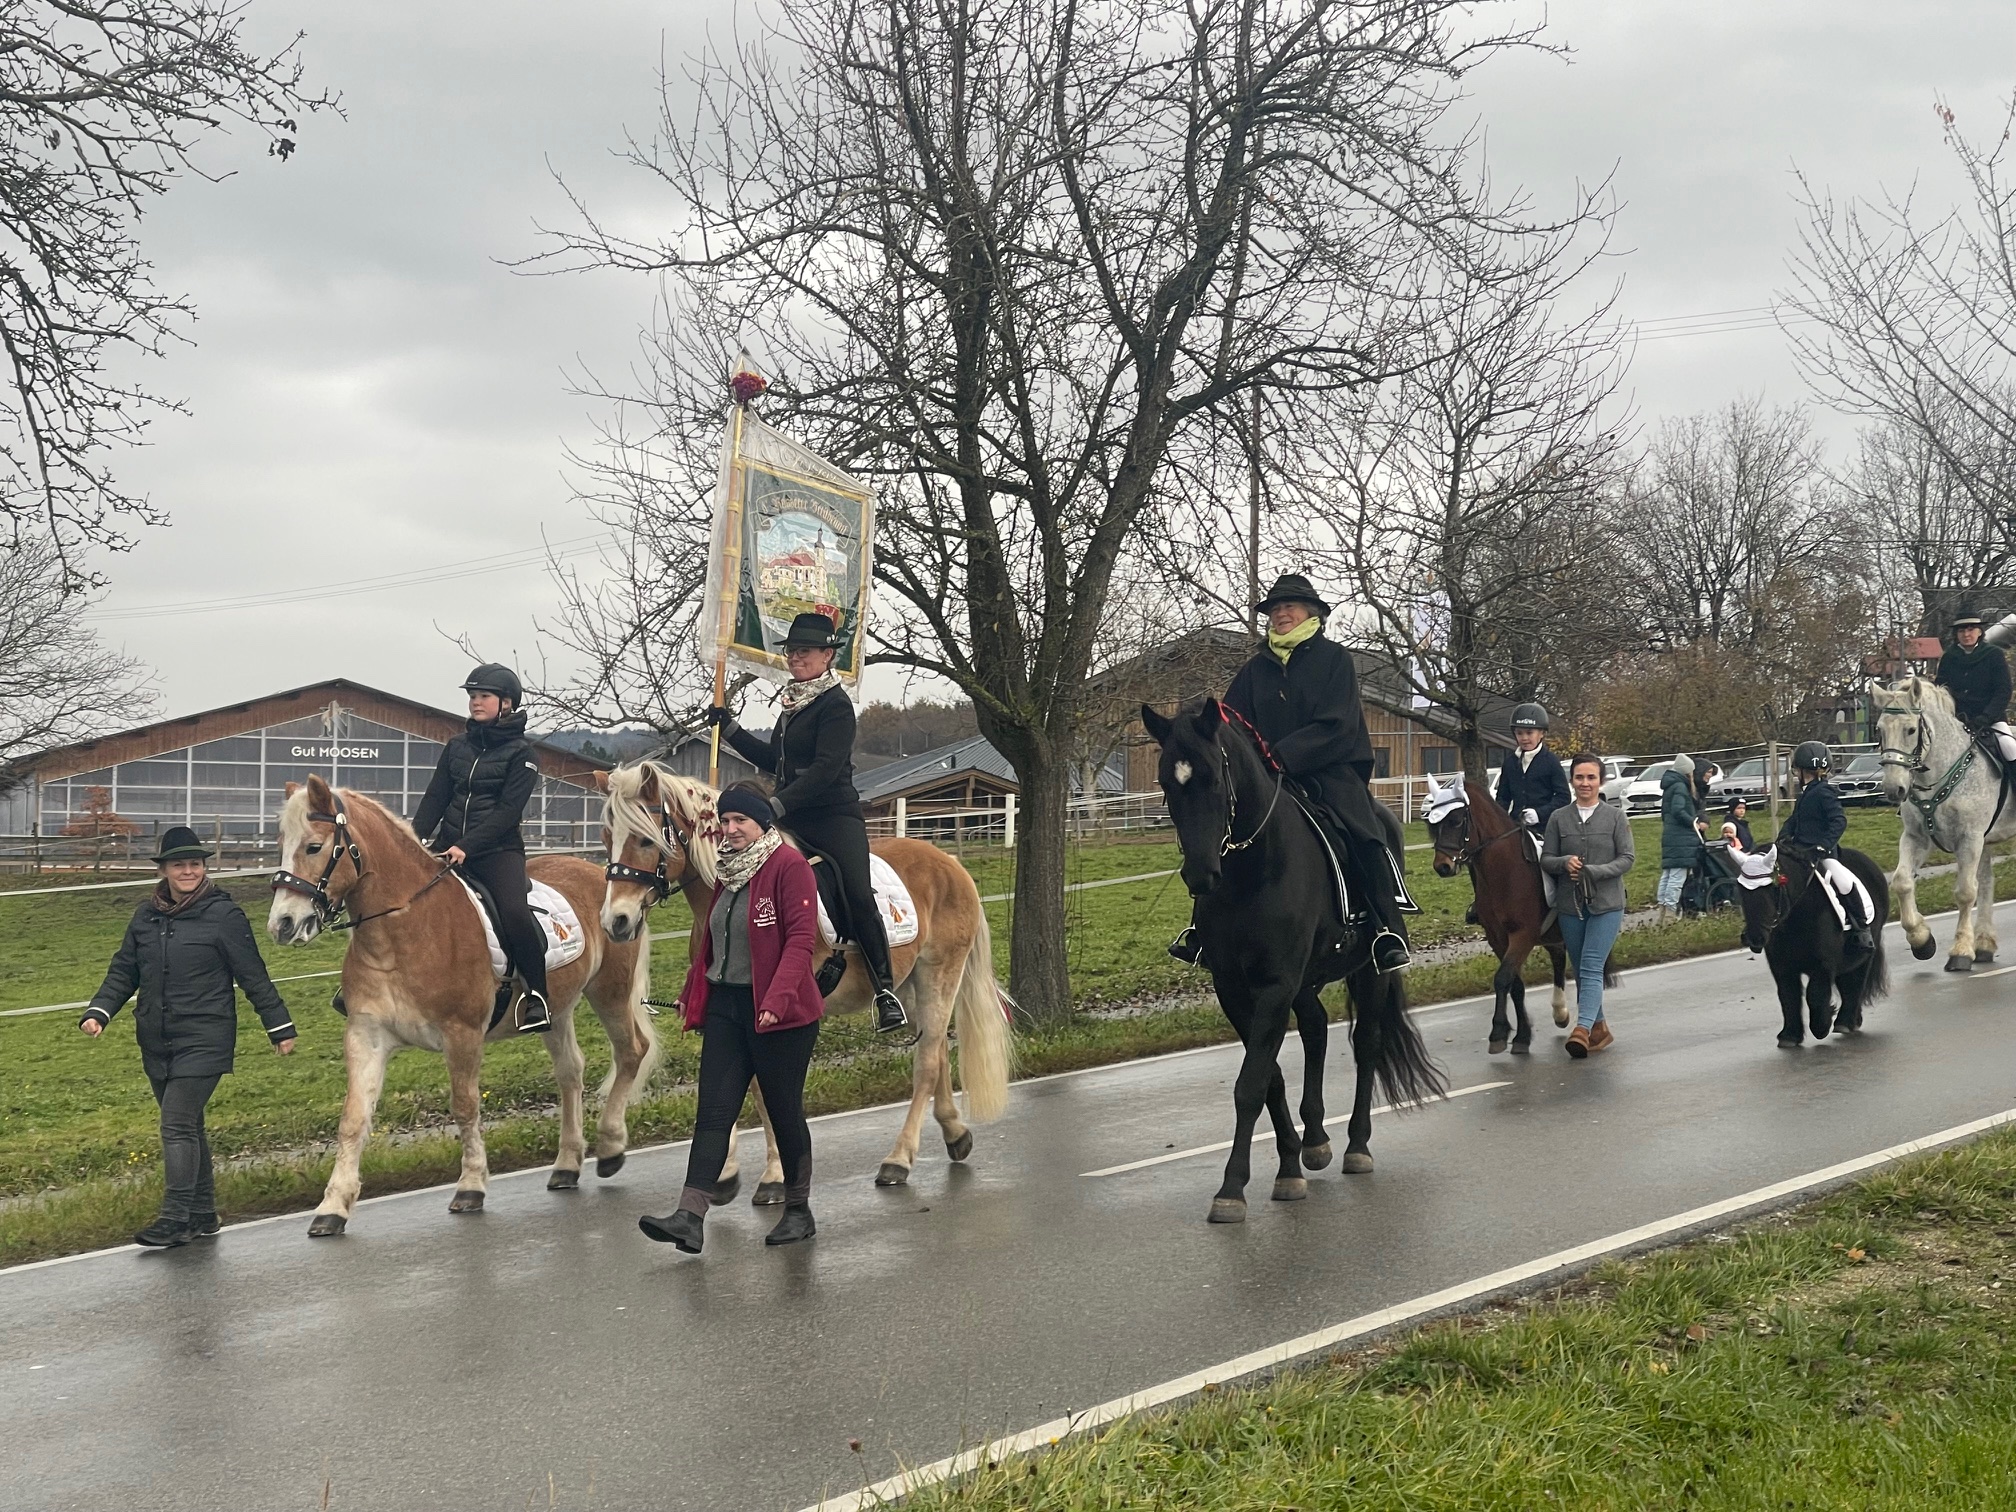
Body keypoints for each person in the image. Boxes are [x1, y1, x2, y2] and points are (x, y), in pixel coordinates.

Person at [1176, 573, 1412, 974]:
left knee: (1365, 833)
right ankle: (1202, 930)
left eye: (1289, 606)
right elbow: (1230, 724)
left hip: (1330, 772)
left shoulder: (1335, 660)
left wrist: (1281, 755)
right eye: (1274, 609)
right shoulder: (1254, 670)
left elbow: (1338, 725)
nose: (1281, 614)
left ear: (1312, 612)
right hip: (1268, 777)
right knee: (1222, 833)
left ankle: (1387, 930)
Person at [79, 828, 298, 1247]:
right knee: (189, 1126)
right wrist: (99, 1011)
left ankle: (175, 1217)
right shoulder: (146, 916)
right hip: (156, 1039)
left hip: (205, 1037)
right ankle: (202, 1214)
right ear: (163, 870)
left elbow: (253, 975)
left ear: (204, 868)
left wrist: (279, 1026)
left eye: (195, 864)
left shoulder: (224, 916)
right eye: (179, 864)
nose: (188, 871)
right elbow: (124, 970)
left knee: (176, 1123)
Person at [639, 786, 824, 1253]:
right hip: (728, 1008)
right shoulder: (728, 871)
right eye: (725, 820)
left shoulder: (789, 867)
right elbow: (712, 941)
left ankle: (798, 1210)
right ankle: (689, 1216)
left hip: (781, 1015)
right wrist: (692, 993)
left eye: (741, 820)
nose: (730, 828)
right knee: (714, 1113)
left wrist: (777, 999)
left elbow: (801, 941)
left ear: (762, 823)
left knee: (783, 1112)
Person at [713, 612, 908, 1034]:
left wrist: (776, 805)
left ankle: (885, 991)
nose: (795, 658)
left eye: (804, 651)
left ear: (827, 655)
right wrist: (730, 730)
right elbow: (776, 761)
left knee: (858, 893)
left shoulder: (836, 706)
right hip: (790, 816)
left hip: (833, 817)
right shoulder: (792, 703)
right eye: (791, 651)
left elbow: (824, 770)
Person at [411, 663, 552, 1032]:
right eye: (472, 696)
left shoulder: (523, 755)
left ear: (506, 703)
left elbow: (507, 813)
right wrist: (411, 840)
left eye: (483, 696)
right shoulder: (456, 747)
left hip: (497, 852)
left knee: (515, 913)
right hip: (447, 847)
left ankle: (537, 997)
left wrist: (467, 846)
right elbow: (436, 797)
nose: (475, 702)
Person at [1540, 755, 1635, 1058]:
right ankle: (1600, 1027)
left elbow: (1627, 858)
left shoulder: (1615, 817)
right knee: (1581, 969)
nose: (1585, 783)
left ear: (1601, 781)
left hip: (1607, 904)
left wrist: (1595, 871)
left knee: (1592, 964)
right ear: (1572, 781)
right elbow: (1546, 859)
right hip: (1570, 906)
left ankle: (1581, 1030)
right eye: (1579, 777)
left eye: (1591, 777)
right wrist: (1564, 863)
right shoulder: (1558, 818)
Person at [1781, 740, 1876, 957]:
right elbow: (1794, 820)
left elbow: (1838, 821)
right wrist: (1783, 836)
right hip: (1799, 852)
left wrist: (1823, 845)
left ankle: (1862, 927)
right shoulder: (1804, 794)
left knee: (1843, 882)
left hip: (1822, 854)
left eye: (1798, 770)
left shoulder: (1825, 792)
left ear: (1802, 771)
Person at [1934, 607, 2016, 761]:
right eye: (1961, 631)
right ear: (1956, 634)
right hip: (1956, 720)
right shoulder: (1948, 658)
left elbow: (2003, 691)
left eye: (1971, 630)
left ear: (1979, 632)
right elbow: (1940, 690)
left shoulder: (1994, 654)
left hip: (1990, 720)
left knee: (2010, 747)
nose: (1966, 634)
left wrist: (1986, 717)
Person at [1493, 703, 1571, 846]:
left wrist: (1539, 813)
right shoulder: (1510, 763)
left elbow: (1564, 797)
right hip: (1515, 827)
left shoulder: (1551, 761)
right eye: (1519, 733)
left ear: (1541, 733)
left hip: (1546, 828)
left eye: (1529, 733)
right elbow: (1503, 798)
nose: (1524, 738)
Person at [1656, 752, 1705, 922]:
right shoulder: (1680, 787)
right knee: (1677, 878)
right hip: (1681, 838)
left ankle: (1662, 912)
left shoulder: (1670, 786)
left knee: (1667, 876)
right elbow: (1678, 810)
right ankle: (1670, 915)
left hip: (1671, 835)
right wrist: (1693, 822)